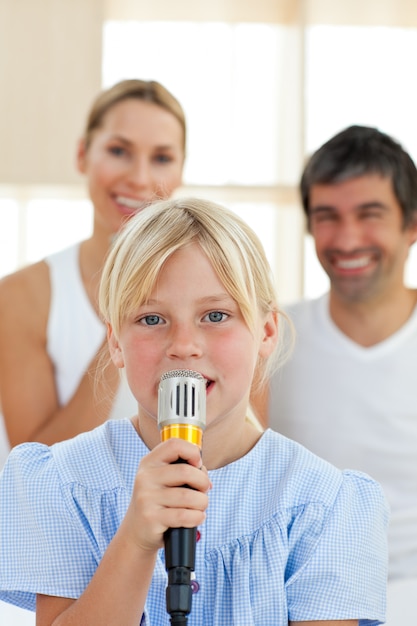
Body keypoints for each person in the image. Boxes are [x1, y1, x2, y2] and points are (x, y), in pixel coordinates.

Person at [0, 197, 388, 625]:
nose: (183, 344)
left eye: (215, 315)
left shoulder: (324, 504)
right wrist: (135, 541)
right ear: (115, 342)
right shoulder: (62, 482)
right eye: (151, 319)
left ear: (266, 331)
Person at [253, 125, 417, 624]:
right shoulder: (268, 339)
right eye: (327, 217)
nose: (347, 239)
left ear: (412, 224)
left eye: (369, 215)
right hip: (303, 594)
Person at [0, 79, 186, 468]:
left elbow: (245, 456)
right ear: (83, 155)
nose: (139, 178)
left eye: (162, 158)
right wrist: (129, 317)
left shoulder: (216, 294)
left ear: (181, 170)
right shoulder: (21, 297)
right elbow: (35, 477)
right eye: (119, 151)